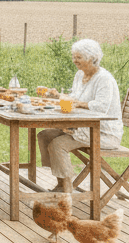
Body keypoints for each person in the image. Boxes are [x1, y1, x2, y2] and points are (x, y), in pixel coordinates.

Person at [38, 38, 123, 193]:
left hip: (103, 132)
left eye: (78, 57)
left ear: (92, 58)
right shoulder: (79, 75)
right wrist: (57, 95)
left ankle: (67, 189)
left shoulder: (104, 79)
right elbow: (73, 97)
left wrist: (78, 104)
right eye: (73, 56)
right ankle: (61, 181)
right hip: (82, 127)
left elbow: (102, 107)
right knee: (45, 135)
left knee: (58, 144)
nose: (74, 60)